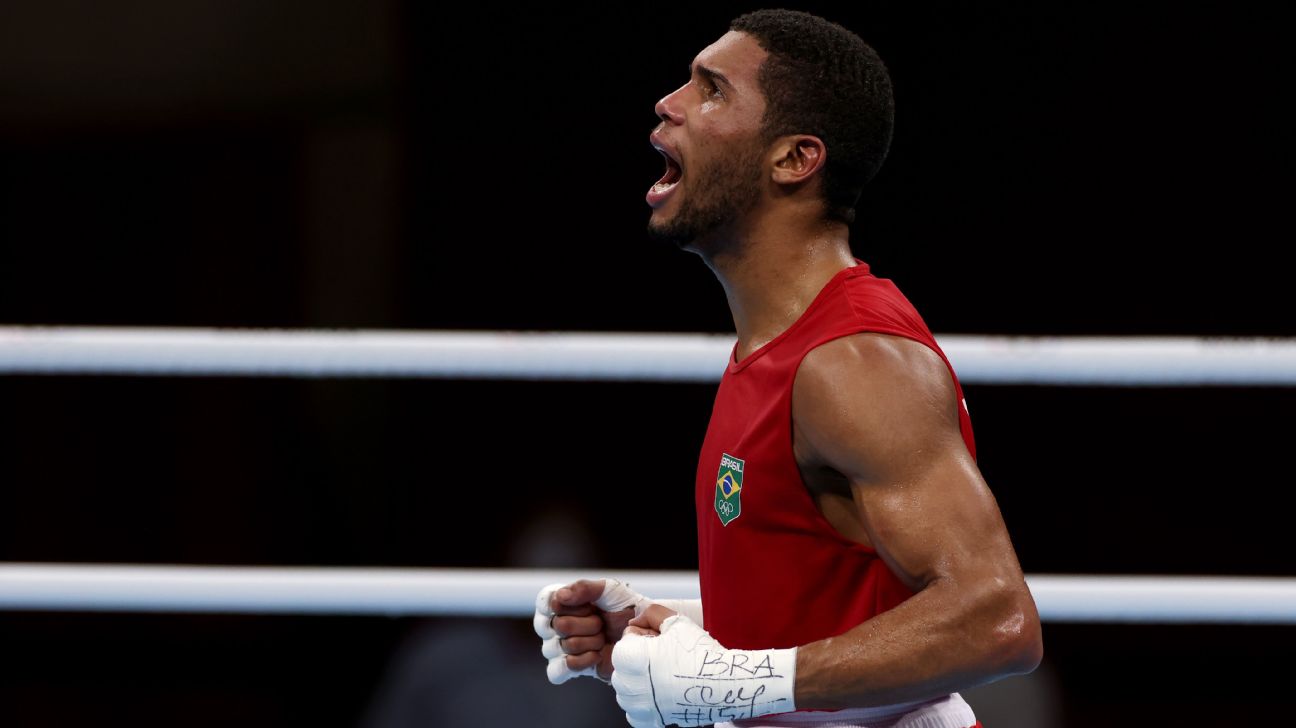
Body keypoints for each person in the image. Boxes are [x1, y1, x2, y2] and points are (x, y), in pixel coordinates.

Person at [533, 9, 1042, 728]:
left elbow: (997, 620)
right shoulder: (773, 348)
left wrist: (733, 679)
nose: (669, 103)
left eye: (710, 90)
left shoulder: (854, 361)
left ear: (795, 159)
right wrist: (678, 634)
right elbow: (843, 594)